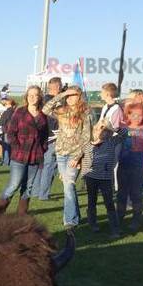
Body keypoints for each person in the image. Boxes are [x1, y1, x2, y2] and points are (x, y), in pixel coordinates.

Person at [42, 84, 92, 229]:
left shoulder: (86, 113)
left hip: (74, 155)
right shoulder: (62, 111)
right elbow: (46, 109)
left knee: (69, 185)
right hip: (60, 153)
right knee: (68, 186)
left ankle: (70, 220)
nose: (70, 98)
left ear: (80, 97)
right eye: (68, 96)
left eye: (73, 95)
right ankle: (75, 216)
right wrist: (62, 95)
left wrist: (78, 157)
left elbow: (86, 136)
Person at [0, 85, 49, 215]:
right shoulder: (20, 112)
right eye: (30, 94)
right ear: (26, 96)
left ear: (39, 97)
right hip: (19, 156)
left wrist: (42, 149)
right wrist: (17, 147)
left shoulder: (43, 115)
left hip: (35, 157)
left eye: (35, 95)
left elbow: (45, 137)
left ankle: (21, 215)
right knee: (13, 186)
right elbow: (11, 133)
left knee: (28, 188)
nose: (32, 97)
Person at [116, 100, 143, 233]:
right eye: (133, 115)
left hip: (138, 169)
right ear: (128, 115)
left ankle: (136, 219)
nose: (137, 118)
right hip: (123, 167)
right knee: (121, 194)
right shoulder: (123, 129)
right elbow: (117, 148)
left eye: (140, 115)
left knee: (136, 194)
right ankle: (119, 217)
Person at [84, 121, 121, 237]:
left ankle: (115, 230)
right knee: (91, 202)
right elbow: (84, 162)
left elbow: (125, 133)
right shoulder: (88, 144)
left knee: (109, 203)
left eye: (105, 131)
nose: (102, 132)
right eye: (99, 129)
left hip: (105, 179)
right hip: (91, 177)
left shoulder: (111, 142)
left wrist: (112, 129)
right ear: (94, 131)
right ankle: (93, 224)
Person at [32, 77, 63, 199]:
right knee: (49, 166)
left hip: (42, 137)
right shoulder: (55, 101)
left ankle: (35, 192)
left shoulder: (43, 100)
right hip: (52, 137)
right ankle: (44, 194)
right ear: (58, 87)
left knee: (41, 165)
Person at [0, 98, 16, 166]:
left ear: (9, 105)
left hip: (7, 131)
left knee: (6, 146)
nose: (5, 105)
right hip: (13, 131)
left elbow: (2, 121)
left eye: (6, 104)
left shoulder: (7, 112)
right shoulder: (15, 111)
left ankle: (6, 162)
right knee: (11, 147)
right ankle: (11, 161)